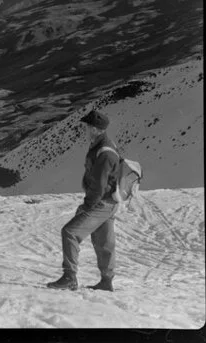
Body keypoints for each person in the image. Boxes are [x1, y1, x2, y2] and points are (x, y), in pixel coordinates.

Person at [46, 109, 120, 292]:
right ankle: (106, 281)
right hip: (108, 201)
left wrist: (87, 206)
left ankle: (70, 277)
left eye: (87, 126)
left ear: (95, 129)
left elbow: (99, 185)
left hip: (102, 202)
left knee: (70, 232)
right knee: (104, 241)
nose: (84, 129)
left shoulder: (104, 152)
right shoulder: (100, 145)